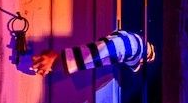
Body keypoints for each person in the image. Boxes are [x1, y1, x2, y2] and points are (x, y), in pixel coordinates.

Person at [25, 27, 155, 76]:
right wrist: (57, 59)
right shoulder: (131, 46)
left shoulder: (130, 41)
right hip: (126, 49)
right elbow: (102, 51)